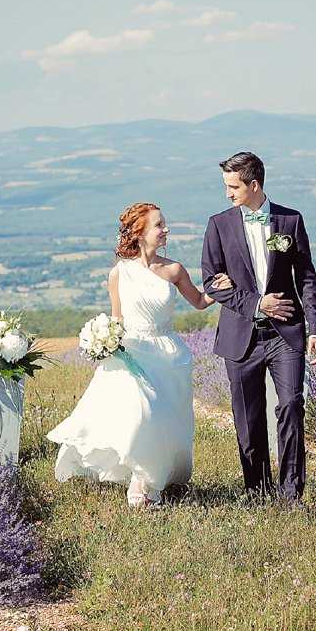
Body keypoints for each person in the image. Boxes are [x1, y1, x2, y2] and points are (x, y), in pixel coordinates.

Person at [46, 202, 231, 509]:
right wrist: (104, 340)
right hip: (131, 355)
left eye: (164, 224)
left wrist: (221, 289)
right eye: (159, 225)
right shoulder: (119, 273)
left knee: (163, 421)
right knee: (142, 414)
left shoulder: (174, 270)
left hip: (168, 355)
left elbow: (199, 301)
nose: (166, 229)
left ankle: (149, 482)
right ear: (139, 232)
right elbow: (117, 317)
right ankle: (139, 483)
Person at [201, 151, 316, 504]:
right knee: (248, 417)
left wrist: (315, 330)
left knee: (291, 406)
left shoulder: (290, 221)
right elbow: (211, 282)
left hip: (285, 334)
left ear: (254, 185)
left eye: (233, 186)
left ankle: (291, 495)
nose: (228, 193)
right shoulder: (219, 224)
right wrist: (257, 302)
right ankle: (257, 493)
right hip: (241, 336)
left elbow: (307, 278)